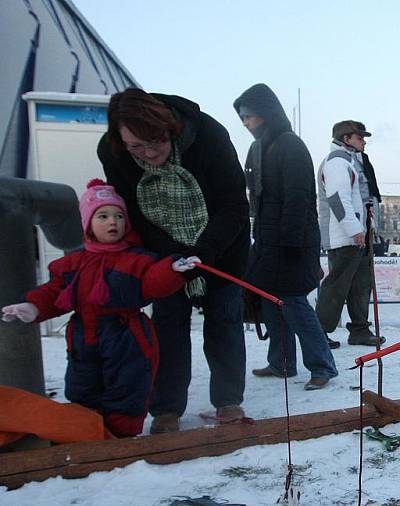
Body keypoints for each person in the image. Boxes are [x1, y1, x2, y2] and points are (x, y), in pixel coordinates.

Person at [97, 88, 250, 433]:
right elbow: (132, 211)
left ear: (170, 128)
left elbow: (234, 205)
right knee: (167, 325)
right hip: (163, 254)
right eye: (137, 147)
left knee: (224, 322)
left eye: (156, 143)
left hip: (221, 249)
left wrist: (206, 251)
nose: (149, 155)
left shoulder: (209, 136)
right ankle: (166, 407)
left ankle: (228, 400)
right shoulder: (114, 153)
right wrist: (167, 252)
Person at [1, 180, 199, 437]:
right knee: (82, 387)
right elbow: (55, 292)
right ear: (87, 223)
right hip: (84, 337)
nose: (112, 222)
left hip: (127, 337)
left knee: (127, 386)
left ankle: (121, 439)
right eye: (103, 216)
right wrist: (34, 306)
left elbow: (152, 282)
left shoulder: (136, 259)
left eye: (118, 216)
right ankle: (88, 434)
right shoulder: (73, 263)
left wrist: (172, 269)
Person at [233, 83, 337, 390]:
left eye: (249, 116)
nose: (246, 122)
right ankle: (282, 363)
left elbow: (298, 198)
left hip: (293, 241)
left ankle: (322, 365)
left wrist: (292, 243)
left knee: (293, 303)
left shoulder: (290, 145)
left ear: (265, 114)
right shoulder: (259, 148)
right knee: (269, 303)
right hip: (267, 240)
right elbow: (258, 200)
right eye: (242, 118)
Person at [316, 120, 385, 347]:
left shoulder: (349, 161)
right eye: (359, 137)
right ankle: (319, 333)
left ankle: (359, 329)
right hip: (345, 236)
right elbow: (338, 199)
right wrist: (355, 229)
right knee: (337, 286)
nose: (363, 141)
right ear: (346, 139)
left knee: (360, 284)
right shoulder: (337, 162)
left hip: (355, 234)